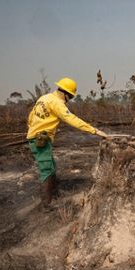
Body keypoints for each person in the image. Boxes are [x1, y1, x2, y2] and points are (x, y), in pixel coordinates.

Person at [27, 77, 109, 211]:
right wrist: (95, 131)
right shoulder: (57, 103)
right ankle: (46, 205)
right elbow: (71, 119)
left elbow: (31, 117)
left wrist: (33, 129)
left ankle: (54, 193)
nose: (69, 100)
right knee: (46, 170)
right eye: (70, 97)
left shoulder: (44, 98)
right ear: (66, 93)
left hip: (38, 137)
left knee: (51, 166)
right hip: (40, 140)